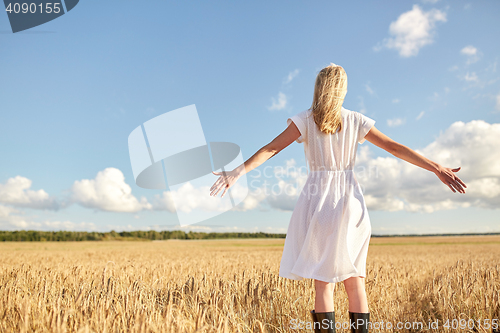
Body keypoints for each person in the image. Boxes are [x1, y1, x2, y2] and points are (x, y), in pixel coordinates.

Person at [209, 63, 466, 333]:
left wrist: (238, 171)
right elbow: (393, 147)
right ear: (342, 89)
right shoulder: (356, 119)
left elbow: (271, 149)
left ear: (318, 87)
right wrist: (436, 167)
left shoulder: (306, 119)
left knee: (323, 282)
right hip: (350, 202)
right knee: (355, 279)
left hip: (318, 203)